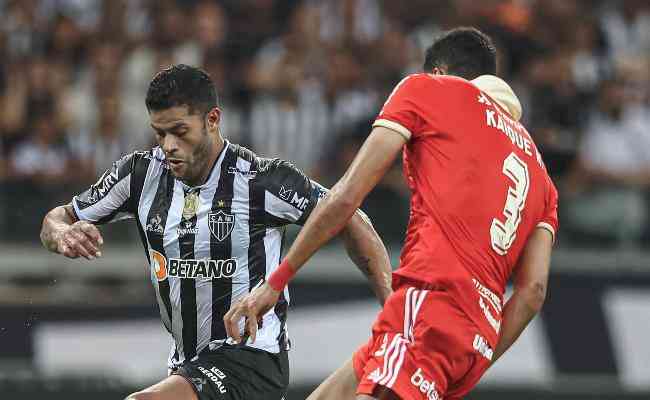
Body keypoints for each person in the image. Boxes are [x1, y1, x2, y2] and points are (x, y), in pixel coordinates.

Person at [224, 27, 559, 400]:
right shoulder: (541, 175)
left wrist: (276, 282)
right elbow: (532, 292)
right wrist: (474, 356)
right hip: (474, 337)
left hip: (431, 301)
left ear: (440, 71)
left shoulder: (430, 90)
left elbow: (346, 196)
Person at [39, 64, 393, 400]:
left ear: (212, 121)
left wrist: (393, 311)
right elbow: (59, 217)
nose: (168, 146)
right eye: (160, 133)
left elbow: (351, 218)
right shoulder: (140, 175)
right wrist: (60, 234)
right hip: (188, 366)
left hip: (252, 360)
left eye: (180, 132)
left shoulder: (260, 181)